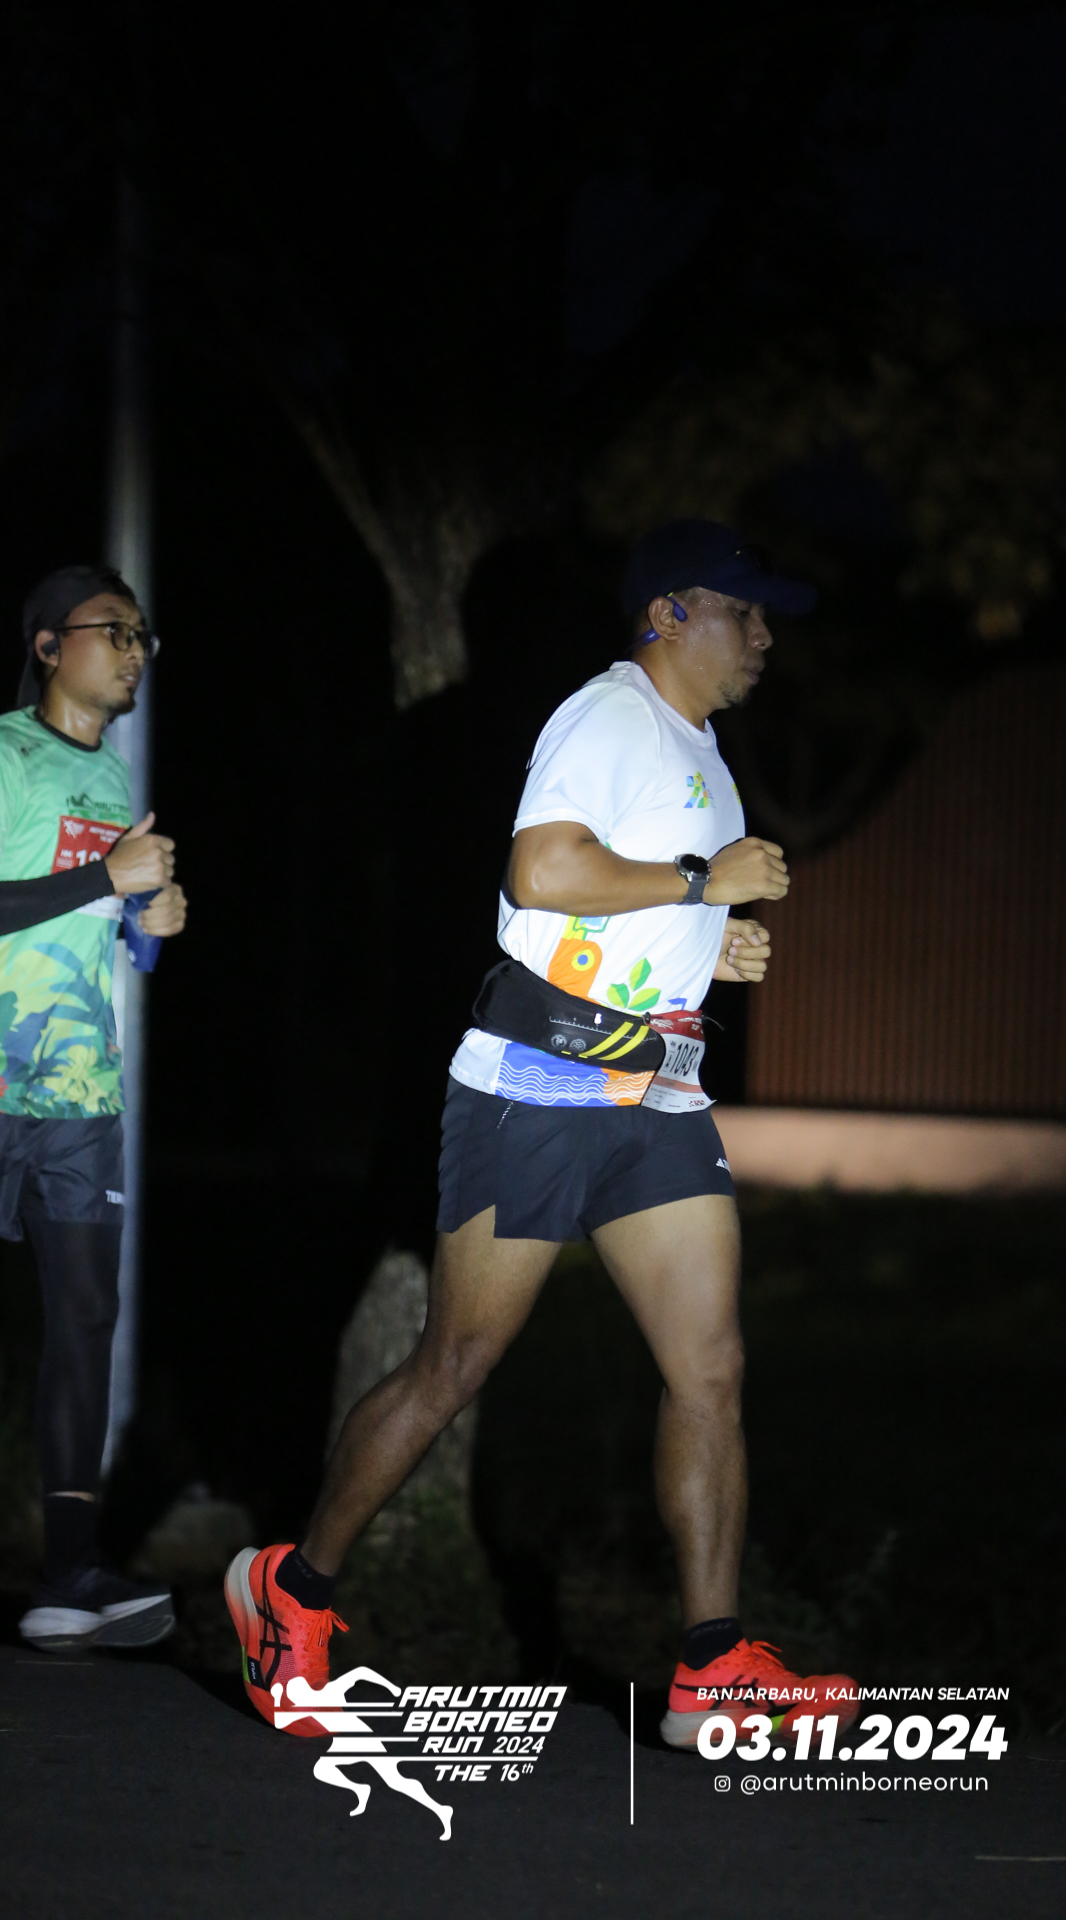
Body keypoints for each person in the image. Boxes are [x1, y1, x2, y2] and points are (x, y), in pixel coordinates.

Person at [226, 521, 858, 1749]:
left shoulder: (699, 749)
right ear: (667, 613)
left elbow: (631, 896)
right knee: (455, 1362)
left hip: (657, 1099)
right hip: (539, 1087)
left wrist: (704, 941)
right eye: (743, 611)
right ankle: (290, 1592)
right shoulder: (608, 715)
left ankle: (711, 1668)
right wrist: (700, 885)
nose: (764, 636)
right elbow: (542, 874)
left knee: (711, 1367)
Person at [1, 565, 188, 1652]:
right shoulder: (7, 756)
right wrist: (105, 880)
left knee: (82, 1323)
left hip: (79, 1094)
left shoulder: (115, 781)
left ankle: (68, 1575)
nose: (133, 651)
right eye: (112, 630)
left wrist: (150, 922)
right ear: (46, 646)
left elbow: (118, 937)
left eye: (142, 635)